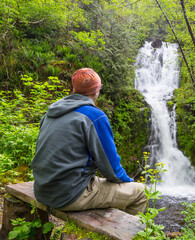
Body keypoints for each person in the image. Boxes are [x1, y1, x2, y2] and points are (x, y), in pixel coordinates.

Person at [31, 68, 146, 215]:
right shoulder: (94, 116)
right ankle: (126, 234)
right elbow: (111, 168)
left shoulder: (50, 114)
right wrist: (128, 181)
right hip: (69, 196)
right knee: (141, 192)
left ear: (74, 89)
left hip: (43, 190)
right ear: (97, 90)